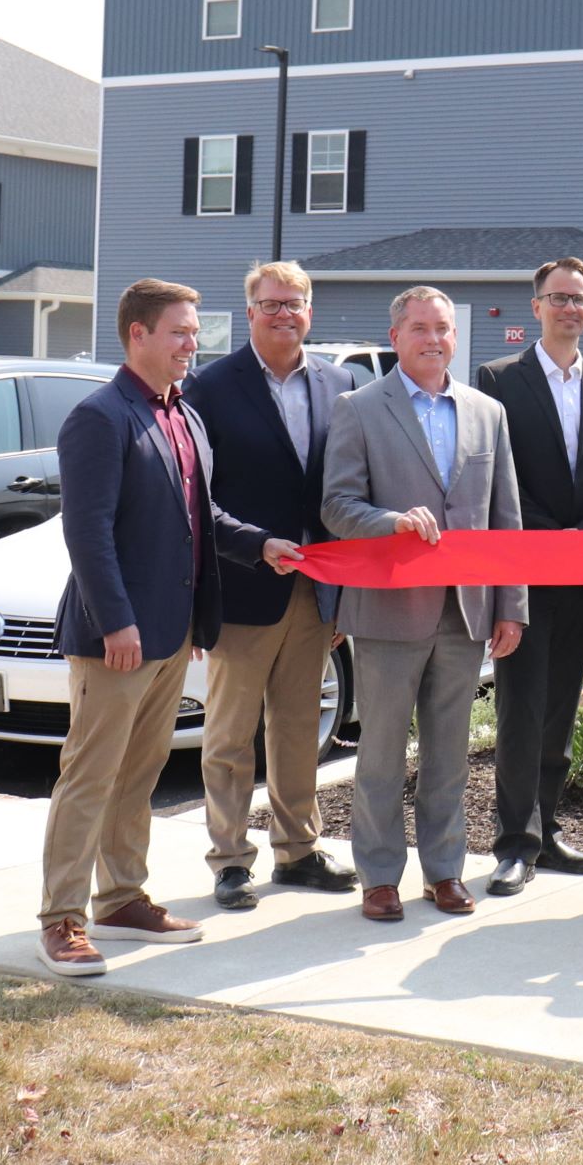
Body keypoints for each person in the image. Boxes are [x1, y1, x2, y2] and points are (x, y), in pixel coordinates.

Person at [37, 279, 300, 978]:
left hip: (172, 631)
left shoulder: (182, 414)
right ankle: (61, 918)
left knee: (139, 772)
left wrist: (260, 544)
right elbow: (86, 532)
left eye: (195, 331)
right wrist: (115, 621)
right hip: (115, 637)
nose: (193, 344)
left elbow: (198, 516)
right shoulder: (101, 416)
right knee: (90, 775)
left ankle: (120, 899)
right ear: (137, 335)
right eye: (180, 331)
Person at [322, 287, 525, 920]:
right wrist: (390, 523)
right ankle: (379, 877)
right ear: (396, 335)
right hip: (389, 609)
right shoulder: (358, 408)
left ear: (455, 337)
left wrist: (510, 605)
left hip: (466, 611)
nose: (433, 339)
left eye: (442, 328)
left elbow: (505, 518)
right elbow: (335, 507)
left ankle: (445, 871)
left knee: (449, 752)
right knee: (380, 752)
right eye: (419, 328)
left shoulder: (487, 411)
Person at [181, 261, 358, 911]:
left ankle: (298, 850)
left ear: (311, 311)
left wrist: (343, 589)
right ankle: (230, 860)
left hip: (313, 593)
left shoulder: (340, 384)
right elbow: (195, 499)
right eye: (271, 302)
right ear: (250, 310)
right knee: (230, 737)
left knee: (296, 730)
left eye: (296, 303)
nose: (284, 313)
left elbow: (343, 493)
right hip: (243, 590)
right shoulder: (211, 388)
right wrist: (246, 552)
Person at [474, 256, 583, 895]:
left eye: (579, 298)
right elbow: (492, 470)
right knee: (521, 708)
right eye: (558, 297)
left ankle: (548, 828)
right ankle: (514, 843)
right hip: (524, 571)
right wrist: (549, 537)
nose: (569, 307)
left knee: (562, 708)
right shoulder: (498, 379)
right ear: (536, 306)